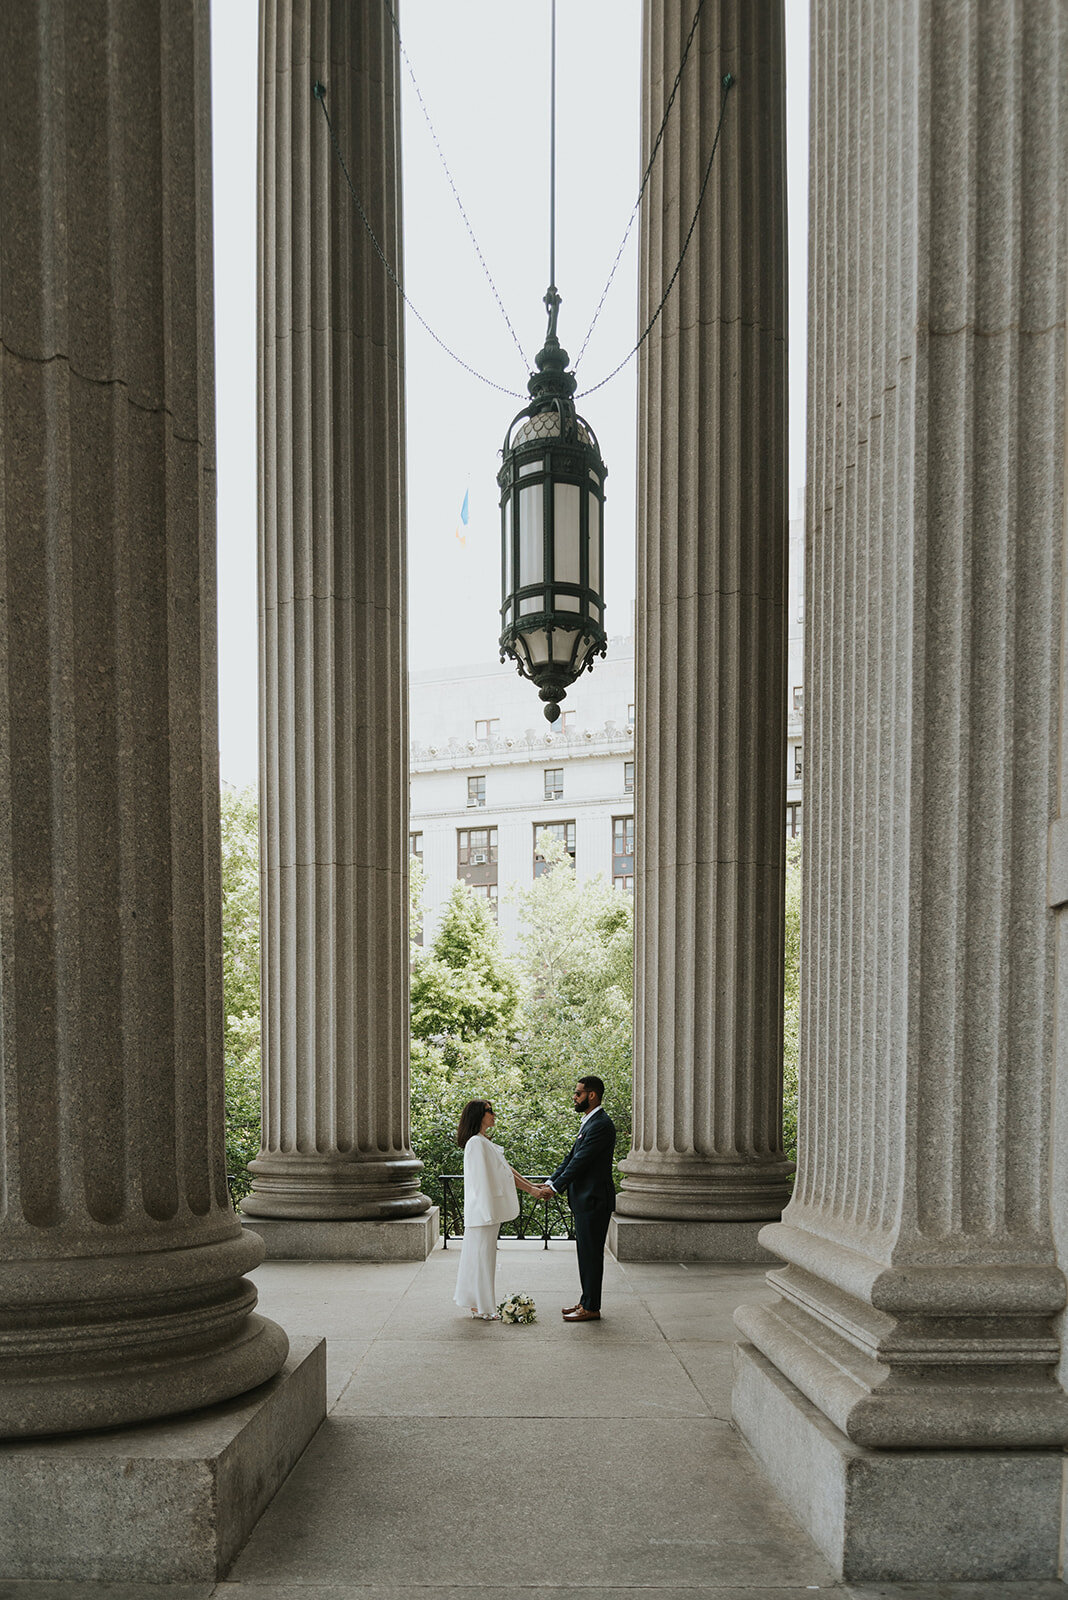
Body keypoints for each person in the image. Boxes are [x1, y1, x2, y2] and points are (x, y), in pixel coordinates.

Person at [534, 1076, 617, 1322]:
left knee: (591, 1255)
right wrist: (551, 1182)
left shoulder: (601, 1124)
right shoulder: (589, 1122)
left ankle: (591, 1307)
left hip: (594, 1200)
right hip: (585, 1200)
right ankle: (585, 1301)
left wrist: (555, 1188)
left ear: (592, 1095)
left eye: (578, 1093)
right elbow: (571, 1158)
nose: (574, 1096)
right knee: (586, 1254)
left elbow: (581, 1162)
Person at [453, 1099, 541, 1320]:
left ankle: (478, 1304)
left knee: (481, 1257)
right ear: (478, 1116)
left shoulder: (484, 1141)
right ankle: (483, 1307)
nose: (494, 1114)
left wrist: (532, 1188)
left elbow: (507, 1171)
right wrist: (487, 1212)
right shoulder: (476, 1143)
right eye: (489, 1111)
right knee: (482, 1259)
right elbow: (479, 1181)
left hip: (486, 1212)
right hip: (483, 1212)